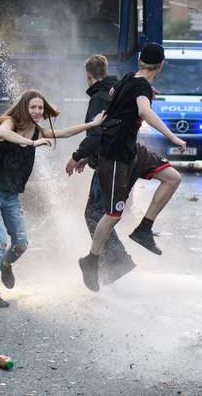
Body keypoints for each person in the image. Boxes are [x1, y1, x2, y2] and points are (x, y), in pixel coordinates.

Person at [0, 90, 106, 308]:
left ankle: (6, 265)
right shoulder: (9, 122)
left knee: (20, 245)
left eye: (40, 108)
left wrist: (92, 125)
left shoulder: (37, 131)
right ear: (24, 108)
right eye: (33, 107)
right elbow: (3, 132)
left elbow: (64, 133)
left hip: (11, 196)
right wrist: (30, 144)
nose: (37, 111)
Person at [78, 43, 186, 292]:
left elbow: (114, 92)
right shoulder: (141, 86)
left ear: (139, 60)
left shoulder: (129, 78)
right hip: (116, 155)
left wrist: (138, 93)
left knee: (172, 178)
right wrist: (171, 136)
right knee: (112, 215)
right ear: (162, 65)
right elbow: (144, 111)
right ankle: (91, 260)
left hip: (131, 150)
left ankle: (144, 229)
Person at [65, 54, 135, 284]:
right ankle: (112, 261)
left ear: (88, 75)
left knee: (95, 214)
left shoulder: (99, 97)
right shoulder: (116, 91)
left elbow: (97, 133)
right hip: (115, 159)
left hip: (109, 162)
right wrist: (89, 156)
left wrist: (78, 156)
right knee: (101, 213)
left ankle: (116, 262)